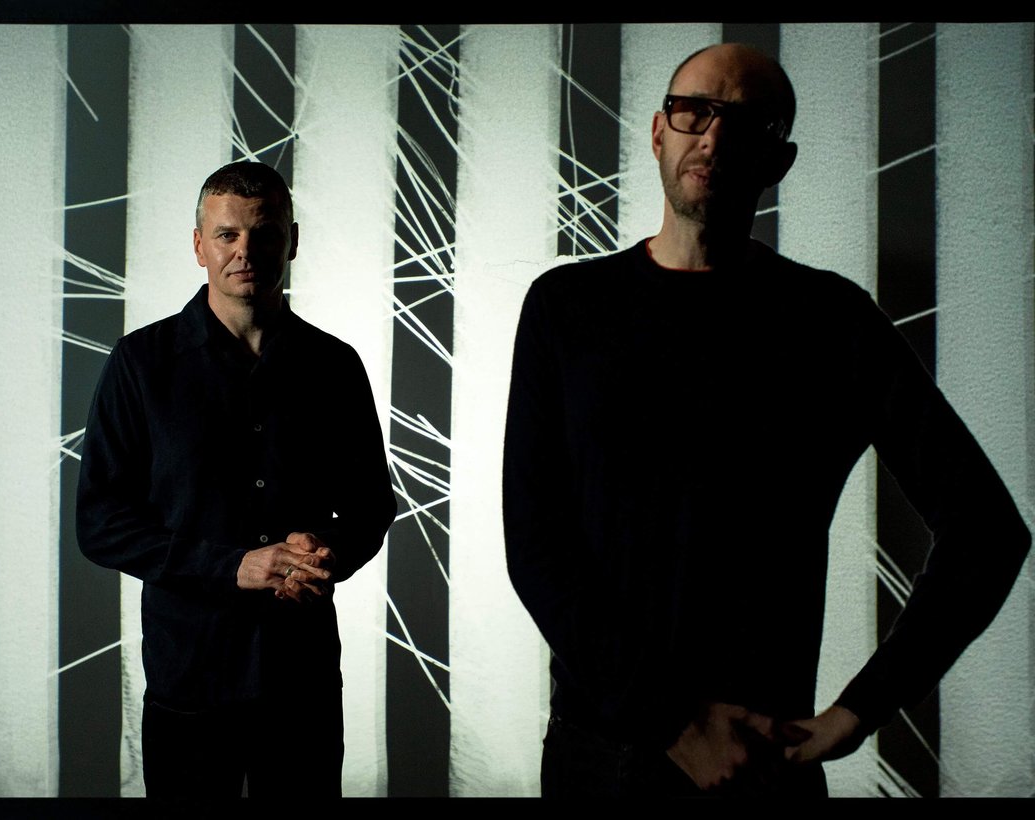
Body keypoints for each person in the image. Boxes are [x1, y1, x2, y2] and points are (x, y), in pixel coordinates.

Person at [502, 43, 1030, 797]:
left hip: (760, 766)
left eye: (745, 124)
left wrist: (860, 711)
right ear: (658, 131)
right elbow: (536, 545)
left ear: (778, 161)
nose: (712, 137)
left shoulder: (832, 321)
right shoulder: (566, 307)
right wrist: (675, 724)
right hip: (598, 758)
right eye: (694, 111)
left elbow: (987, 530)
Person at [77, 161, 396, 799]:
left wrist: (324, 553)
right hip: (189, 679)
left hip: (301, 678)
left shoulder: (334, 366)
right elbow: (101, 522)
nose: (244, 251)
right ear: (200, 245)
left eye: (264, 233)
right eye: (227, 235)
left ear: (291, 242)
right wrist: (234, 567)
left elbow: (370, 505)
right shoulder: (140, 364)